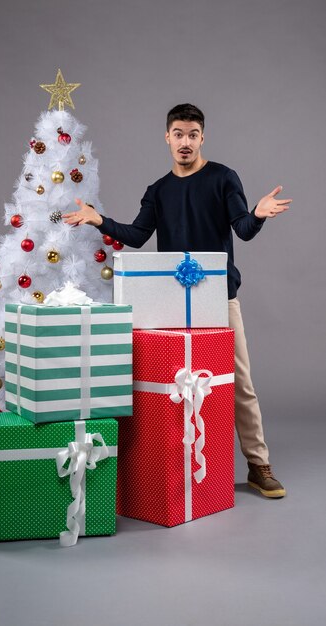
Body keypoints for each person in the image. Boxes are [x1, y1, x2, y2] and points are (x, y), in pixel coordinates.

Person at [63, 103, 292, 498]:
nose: (185, 142)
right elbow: (136, 236)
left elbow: (243, 230)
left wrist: (258, 213)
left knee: (240, 383)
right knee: (166, 383)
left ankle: (259, 465)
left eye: (192, 135)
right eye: (178, 134)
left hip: (220, 299)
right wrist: (99, 219)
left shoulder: (223, 178)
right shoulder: (158, 190)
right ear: (167, 138)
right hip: (170, 303)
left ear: (202, 138)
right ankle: (168, 464)